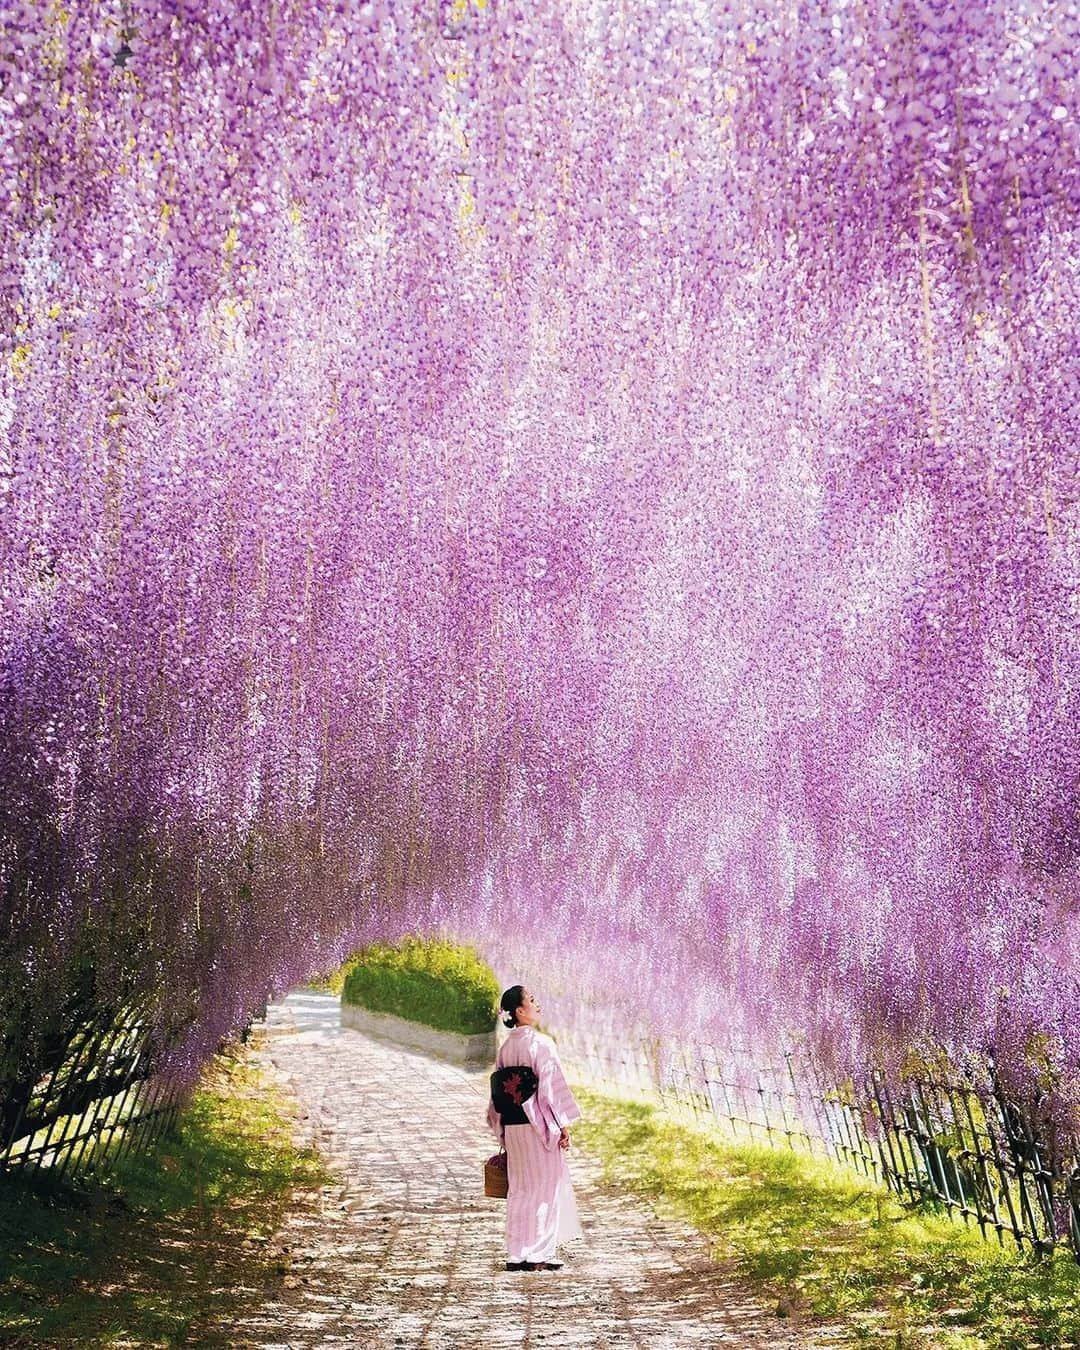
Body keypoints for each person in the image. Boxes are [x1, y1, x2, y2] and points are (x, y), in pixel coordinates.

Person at [487, 985, 583, 1272]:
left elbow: (498, 1094)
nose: (537, 1005)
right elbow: (549, 1090)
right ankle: (539, 1253)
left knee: (520, 1190)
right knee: (545, 1189)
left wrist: (500, 1127)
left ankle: (516, 1254)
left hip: (514, 1128)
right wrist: (561, 1124)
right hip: (538, 1126)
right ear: (519, 1011)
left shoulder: (506, 1048)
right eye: (532, 1001)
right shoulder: (540, 1044)